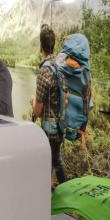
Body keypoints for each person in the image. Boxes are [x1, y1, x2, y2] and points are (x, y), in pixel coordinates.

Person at [32, 24, 66, 184]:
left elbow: (37, 109)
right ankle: (56, 195)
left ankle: (60, 196)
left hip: (49, 126)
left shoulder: (45, 70)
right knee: (54, 160)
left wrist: (33, 103)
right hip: (61, 122)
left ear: (41, 45)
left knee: (53, 162)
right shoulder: (60, 65)